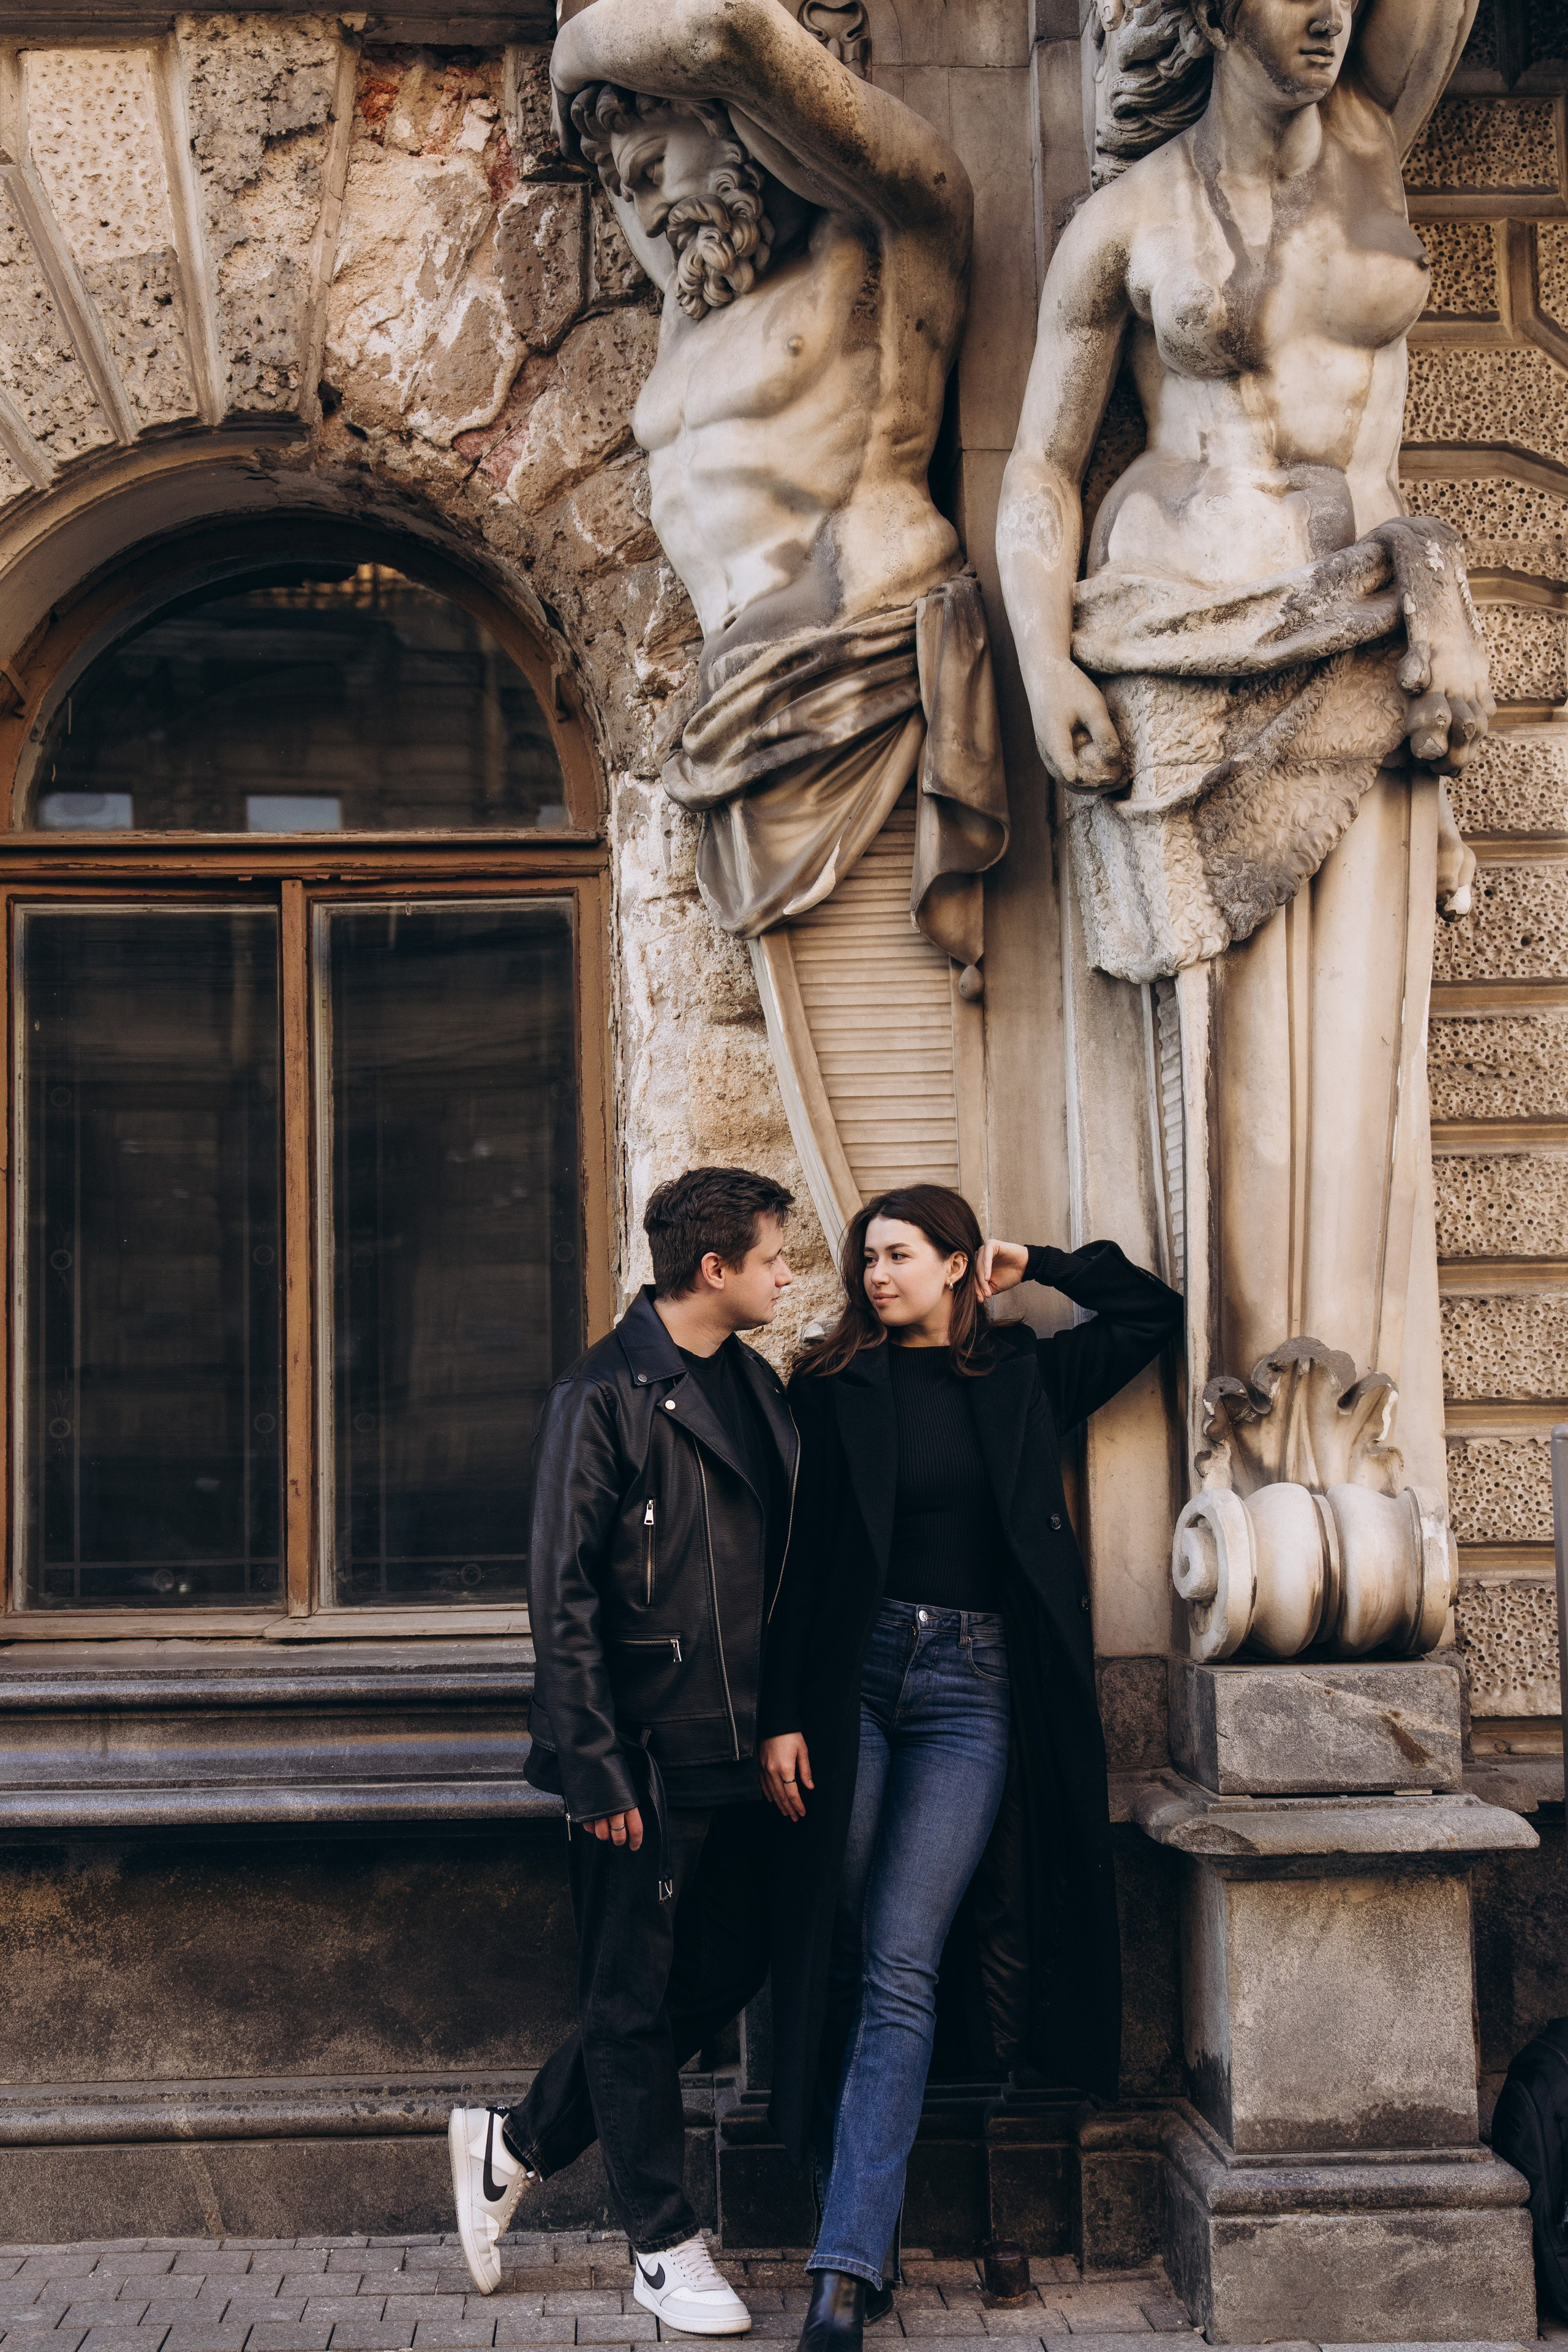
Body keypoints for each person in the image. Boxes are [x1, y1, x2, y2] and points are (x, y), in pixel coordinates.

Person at [758, 1186, 1183, 2352]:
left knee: (900, 1957)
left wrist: (1037, 1259)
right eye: (866, 1260)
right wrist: (781, 1716)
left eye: (898, 1256)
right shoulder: (833, 1389)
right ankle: (864, 2219)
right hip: (853, 1687)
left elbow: (1153, 1316)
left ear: (956, 1264)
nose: (874, 1275)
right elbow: (796, 1570)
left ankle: (844, 2269)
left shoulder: (1026, 1380)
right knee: (850, 1938)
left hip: (973, 1693)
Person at [449, 1166, 799, 2334]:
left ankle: (519, 2139)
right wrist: (593, 1765)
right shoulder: (601, 1395)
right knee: (630, 1995)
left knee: (727, 1967)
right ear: (716, 1269)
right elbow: (561, 1597)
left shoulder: (754, 1384)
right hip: (640, 1757)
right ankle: (661, 2244)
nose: (787, 1275)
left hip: (742, 1753)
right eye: (772, 1258)